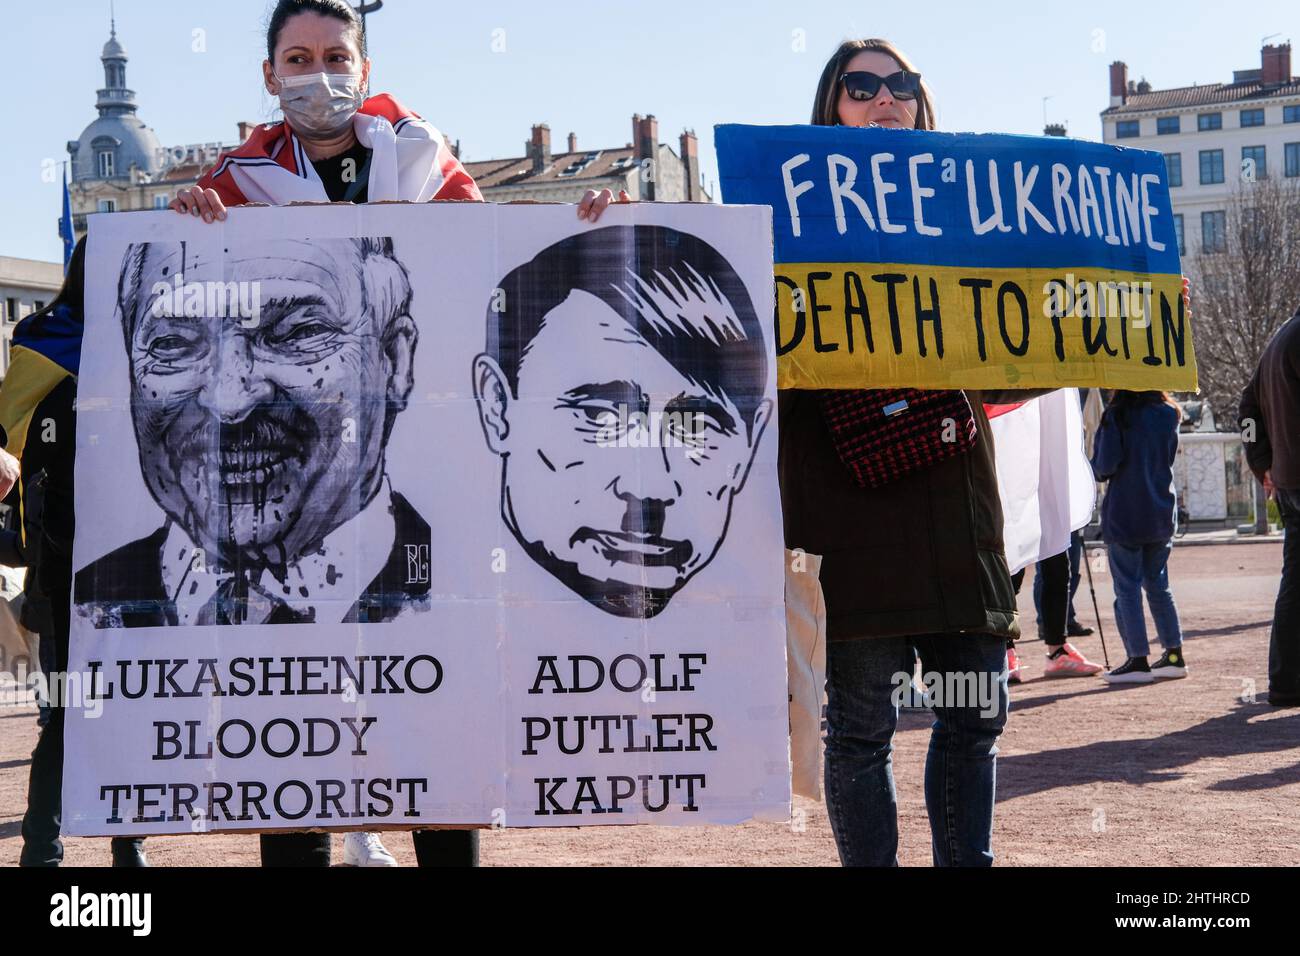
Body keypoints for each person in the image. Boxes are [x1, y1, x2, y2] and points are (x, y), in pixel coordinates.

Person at [167, 0, 623, 868]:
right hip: (289, 499)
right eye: (297, 60)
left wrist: (591, 220)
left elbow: (504, 265)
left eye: (336, 56)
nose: (318, 75)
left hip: (429, 475)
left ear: (365, 70)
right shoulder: (231, 185)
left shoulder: (432, 168)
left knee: (435, 724)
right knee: (292, 740)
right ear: (269, 77)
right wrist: (180, 223)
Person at [782, 38, 1046, 867]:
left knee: (975, 718)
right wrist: (620, 220)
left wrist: (1132, 318)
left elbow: (1016, 356)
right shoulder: (779, 220)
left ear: (924, 105)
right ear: (830, 108)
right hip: (844, 518)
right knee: (860, 730)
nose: (884, 98)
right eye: (861, 87)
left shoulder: (974, 222)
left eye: (902, 85)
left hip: (954, 510)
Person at [74, 237, 431, 628]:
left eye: (298, 334)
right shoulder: (82, 607)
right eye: (173, 343)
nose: (229, 402)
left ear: (394, 361)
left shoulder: (475, 588)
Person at [472, 225, 772, 619]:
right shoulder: (414, 605)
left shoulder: (750, 642)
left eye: (696, 427)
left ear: (751, 444)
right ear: (497, 405)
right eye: (601, 415)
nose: (649, 488)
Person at [0, 237, 148, 866]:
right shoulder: (45, 339)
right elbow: (5, 429)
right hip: (62, 556)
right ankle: (42, 844)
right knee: (63, 711)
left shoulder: (161, 339)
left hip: (144, 556)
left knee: (137, 705)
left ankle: (129, 844)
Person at [1091, 391, 1187, 684]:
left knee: (1127, 590)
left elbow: (1104, 467)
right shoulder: (1170, 412)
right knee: (1159, 585)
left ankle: (1137, 658)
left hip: (1126, 512)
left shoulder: (1118, 414)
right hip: (1160, 509)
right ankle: (1173, 654)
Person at [1239, 305, 1300, 707]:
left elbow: (1247, 410)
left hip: (1289, 479)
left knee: (1294, 582)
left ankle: (1285, 680)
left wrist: (1263, 463)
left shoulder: (1281, 337)